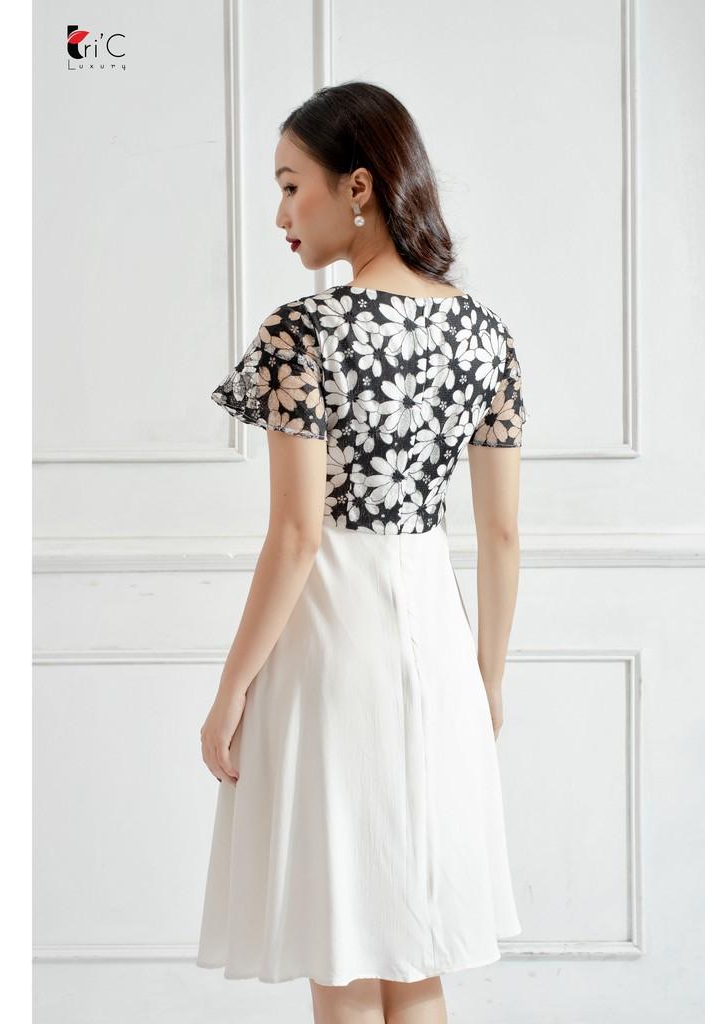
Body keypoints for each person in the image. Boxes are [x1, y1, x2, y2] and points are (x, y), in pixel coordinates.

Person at [196, 81, 526, 1024]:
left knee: (341, 952)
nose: (280, 215)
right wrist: (487, 679)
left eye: (290, 186)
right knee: (417, 953)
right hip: (437, 647)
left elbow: (299, 534)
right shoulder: (486, 335)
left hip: (331, 642)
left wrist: (230, 691)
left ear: (358, 186)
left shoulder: (302, 332)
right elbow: (502, 535)